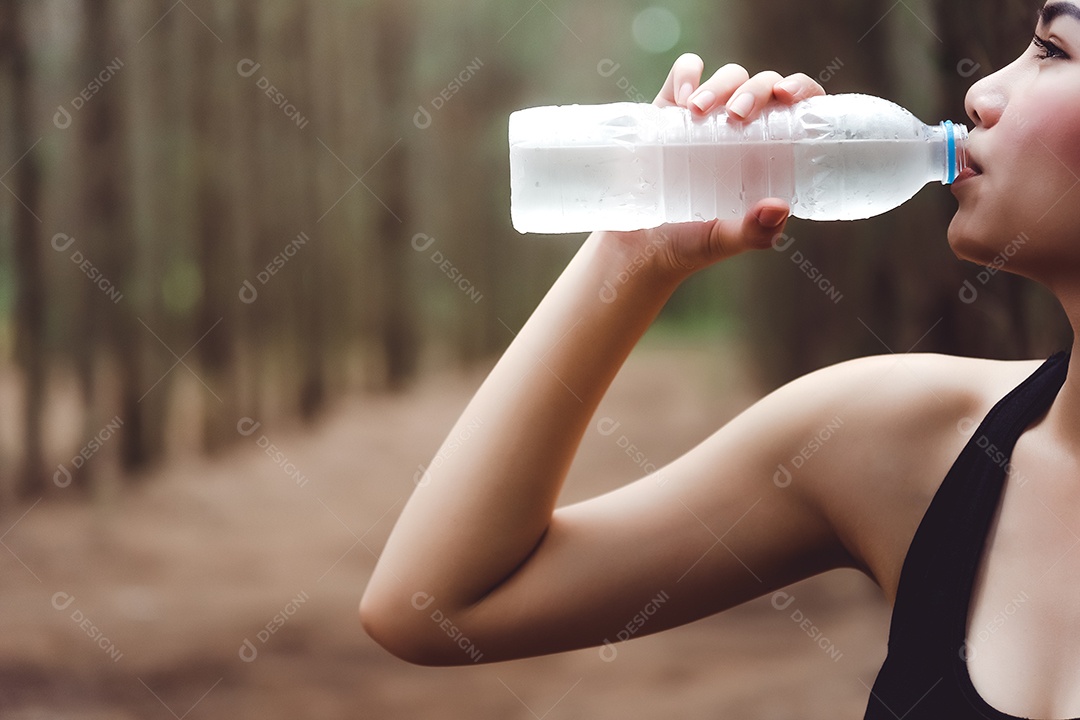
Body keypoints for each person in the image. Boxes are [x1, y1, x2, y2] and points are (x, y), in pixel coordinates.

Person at [361, 3, 1080, 717]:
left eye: (1054, 49)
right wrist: (636, 250)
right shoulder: (911, 439)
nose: (981, 94)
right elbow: (437, 602)